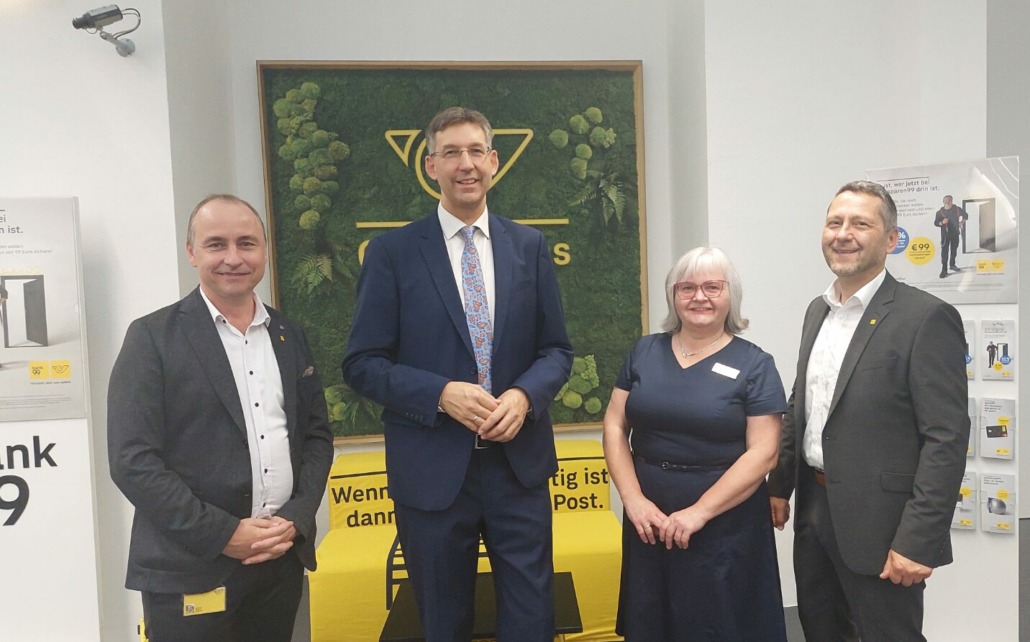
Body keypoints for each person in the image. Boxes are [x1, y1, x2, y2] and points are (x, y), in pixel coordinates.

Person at [343, 107, 573, 641]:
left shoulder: (530, 247)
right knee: (443, 623)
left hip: (518, 471)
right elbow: (362, 364)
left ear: (494, 161)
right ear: (431, 166)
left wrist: (524, 396)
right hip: (433, 474)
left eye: (474, 151)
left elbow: (557, 350)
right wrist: (440, 393)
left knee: (532, 620)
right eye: (450, 153)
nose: (464, 164)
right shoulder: (392, 253)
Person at [108, 194, 334, 641]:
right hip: (191, 567)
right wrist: (223, 534)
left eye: (247, 243)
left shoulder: (289, 335)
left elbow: (315, 437)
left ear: (264, 251)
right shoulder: (152, 337)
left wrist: (295, 518)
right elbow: (132, 460)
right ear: (191, 252)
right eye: (216, 244)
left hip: (278, 562)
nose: (234, 258)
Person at [768, 181, 969, 642]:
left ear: (891, 239)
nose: (843, 234)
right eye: (834, 222)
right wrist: (779, 484)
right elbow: (803, 404)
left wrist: (919, 540)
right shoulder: (817, 311)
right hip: (814, 511)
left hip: (884, 525)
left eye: (861, 224)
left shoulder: (925, 318)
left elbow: (946, 437)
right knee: (821, 631)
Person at [602, 246, 787, 641]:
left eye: (712, 287)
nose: (699, 297)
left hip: (725, 522)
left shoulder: (755, 364)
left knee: (718, 624)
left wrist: (700, 512)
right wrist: (632, 500)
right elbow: (615, 425)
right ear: (673, 295)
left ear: (731, 295)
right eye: (686, 288)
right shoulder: (643, 351)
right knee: (652, 620)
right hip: (649, 519)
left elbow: (764, 452)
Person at [933, 194, 967, 278]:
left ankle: (952, 265)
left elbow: (966, 215)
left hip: (955, 234)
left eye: (949, 200)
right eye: (946, 200)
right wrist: (942, 222)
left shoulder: (957, 209)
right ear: (943, 202)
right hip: (945, 235)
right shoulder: (939, 212)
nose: (947, 201)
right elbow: (936, 223)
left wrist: (962, 222)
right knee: (944, 252)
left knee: (954, 250)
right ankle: (944, 270)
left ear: (952, 201)